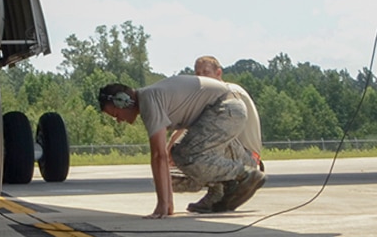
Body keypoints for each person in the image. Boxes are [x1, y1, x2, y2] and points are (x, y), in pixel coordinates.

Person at [99, 75, 266, 217]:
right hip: (226, 110)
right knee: (176, 166)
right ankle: (220, 187)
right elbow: (165, 154)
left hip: (225, 109)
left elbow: (159, 156)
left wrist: (162, 206)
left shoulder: (148, 100)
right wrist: (168, 204)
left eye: (116, 114)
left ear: (124, 101)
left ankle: (245, 174)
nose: (119, 120)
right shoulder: (150, 98)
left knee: (188, 156)